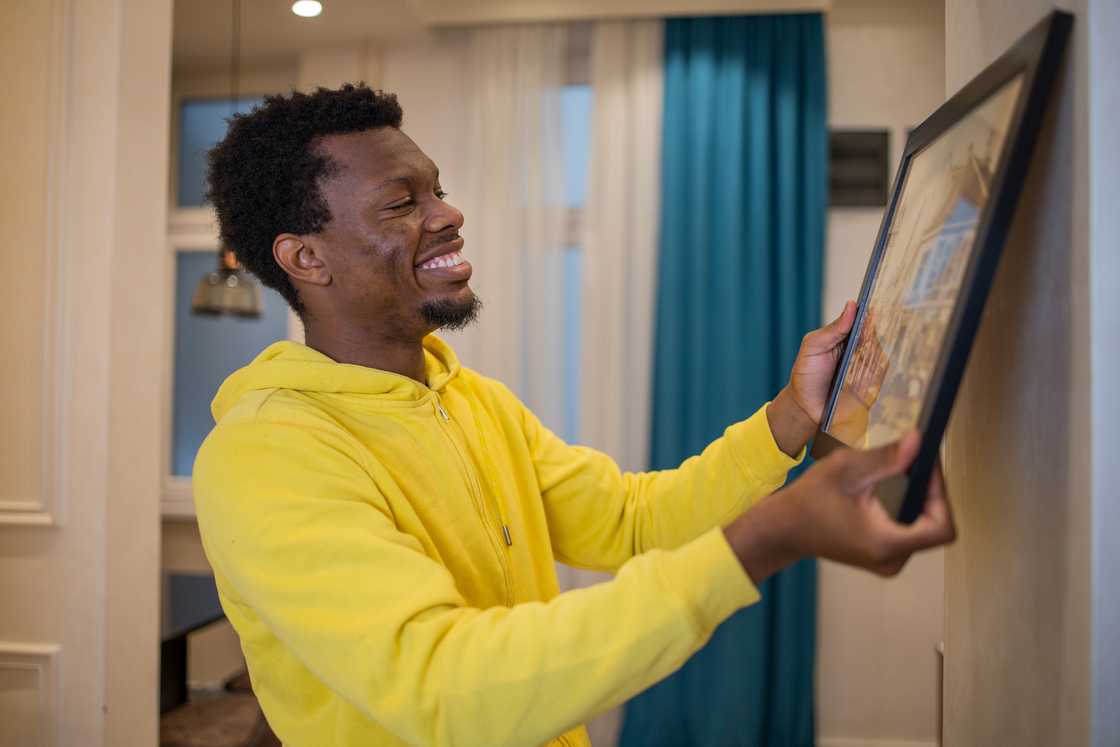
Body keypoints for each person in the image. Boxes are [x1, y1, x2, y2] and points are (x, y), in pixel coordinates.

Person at [195, 84, 956, 747]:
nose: (450, 213)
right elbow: (444, 687)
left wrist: (791, 417)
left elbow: (630, 522)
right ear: (304, 259)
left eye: (438, 189)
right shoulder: (268, 452)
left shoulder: (472, 401)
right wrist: (770, 535)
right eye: (403, 202)